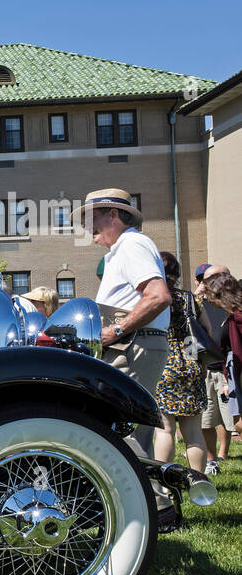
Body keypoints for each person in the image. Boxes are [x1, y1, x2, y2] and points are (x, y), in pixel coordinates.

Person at [84, 188, 171, 455]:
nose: (87, 227)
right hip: (134, 344)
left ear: (113, 215)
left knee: (123, 433)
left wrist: (117, 330)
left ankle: (150, 496)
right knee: (128, 433)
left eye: (91, 218)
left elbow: (158, 296)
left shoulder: (132, 244)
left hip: (133, 345)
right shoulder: (123, 249)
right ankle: (150, 496)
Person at [152, 252, 207, 473]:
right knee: (194, 431)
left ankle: (165, 485)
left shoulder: (154, 298)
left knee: (165, 430)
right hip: (191, 363)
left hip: (162, 365)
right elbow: (206, 332)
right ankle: (199, 482)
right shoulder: (190, 299)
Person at [194, 263, 233, 472]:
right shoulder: (200, 302)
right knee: (207, 419)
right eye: (202, 279)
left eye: (209, 279)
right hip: (207, 369)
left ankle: (224, 451)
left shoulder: (233, 304)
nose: (205, 283)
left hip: (228, 370)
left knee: (233, 421)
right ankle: (211, 461)